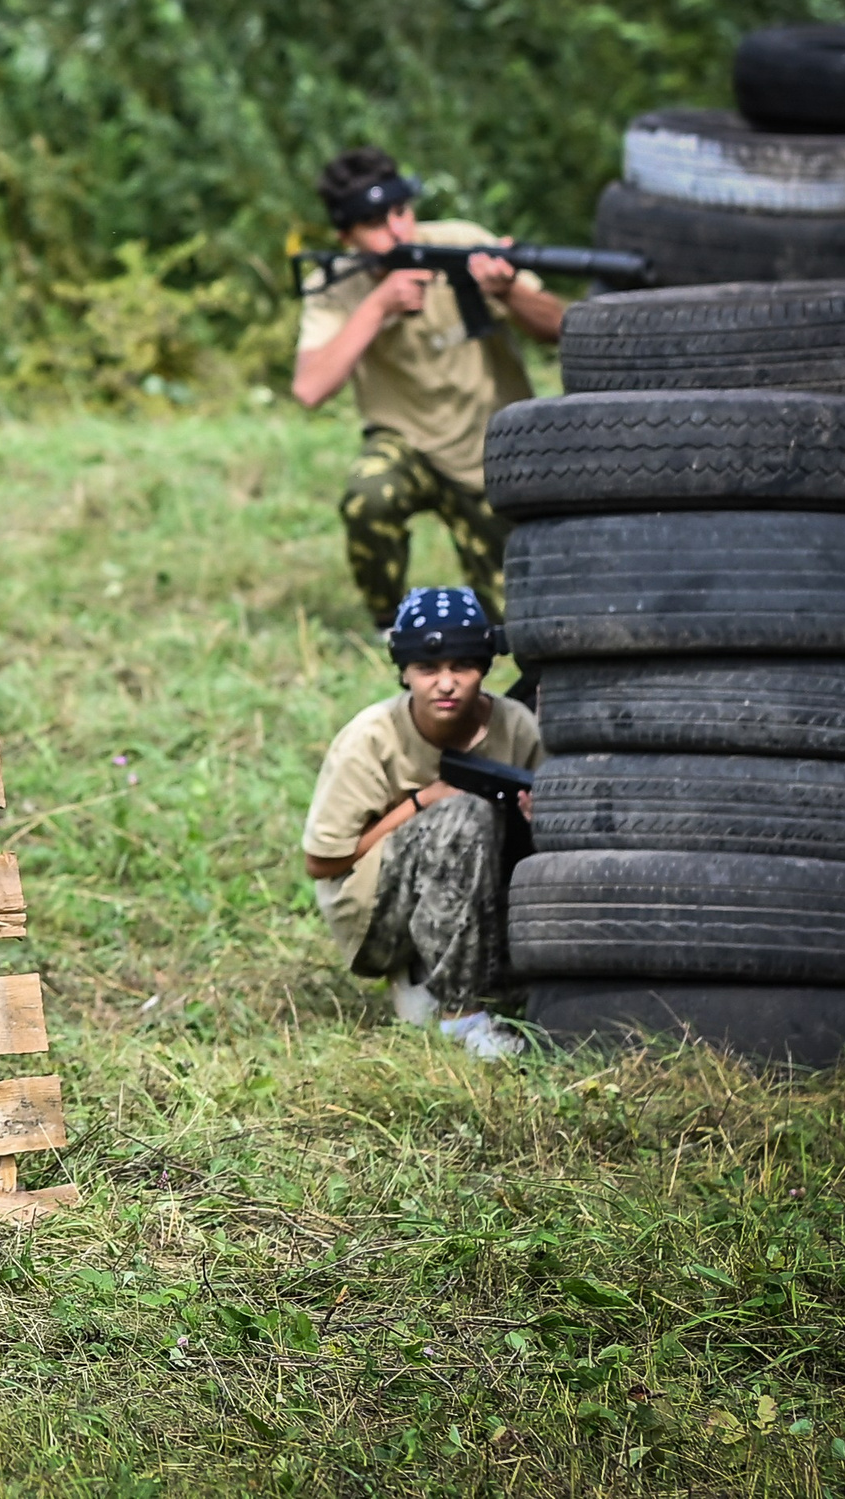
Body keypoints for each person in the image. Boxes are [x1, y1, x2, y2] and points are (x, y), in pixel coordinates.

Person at [291, 148, 567, 628]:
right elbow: (310, 389)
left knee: (515, 620)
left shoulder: (463, 242)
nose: (398, 231)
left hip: (493, 456)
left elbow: (562, 326)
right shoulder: (338, 284)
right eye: (375, 223)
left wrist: (508, 292)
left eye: (401, 212)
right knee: (369, 493)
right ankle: (386, 622)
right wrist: (377, 307)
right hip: (409, 447)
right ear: (345, 236)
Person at [301, 587, 543, 1059]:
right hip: (376, 914)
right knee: (464, 813)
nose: (446, 684)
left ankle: (445, 985)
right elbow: (321, 861)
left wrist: (540, 819)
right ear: (405, 673)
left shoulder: (515, 727)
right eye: (427, 670)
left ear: (486, 667)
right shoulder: (371, 737)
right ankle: (459, 1016)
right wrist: (420, 803)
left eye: (462, 667)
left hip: (482, 897)